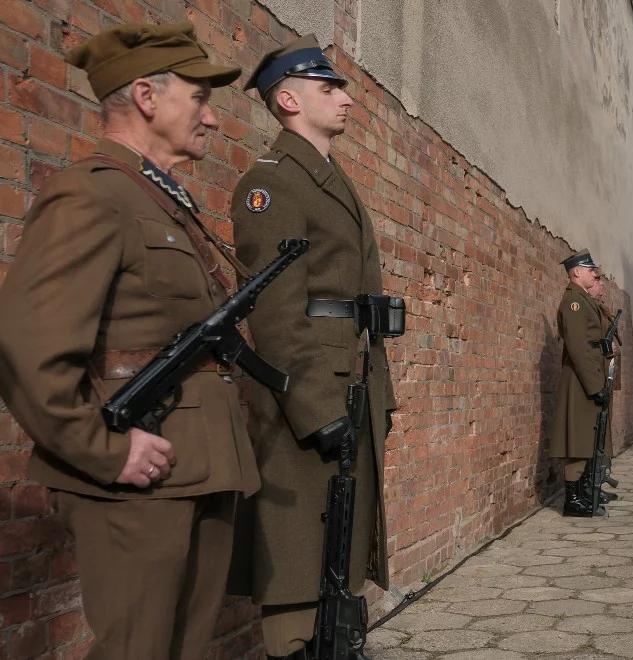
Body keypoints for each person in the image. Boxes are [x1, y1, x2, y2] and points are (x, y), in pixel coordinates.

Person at [0, 23, 258, 659]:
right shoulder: (91, 193)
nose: (213, 120)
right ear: (146, 95)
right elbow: (26, 347)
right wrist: (102, 449)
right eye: (200, 99)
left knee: (186, 650)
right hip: (138, 478)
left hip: (199, 465)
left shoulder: (163, 201)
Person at [231, 36, 398, 657]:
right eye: (329, 88)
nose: (346, 98)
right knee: (301, 553)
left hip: (348, 379)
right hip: (308, 395)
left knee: (342, 546)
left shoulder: (330, 178)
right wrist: (318, 408)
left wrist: (379, 389)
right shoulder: (271, 183)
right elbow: (274, 311)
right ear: (289, 99)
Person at [543, 250, 610, 519]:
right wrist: (595, 386)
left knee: (587, 437)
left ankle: (582, 494)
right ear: (576, 272)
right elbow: (579, 347)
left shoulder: (583, 300)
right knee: (578, 438)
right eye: (590, 269)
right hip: (581, 379)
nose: (595, 273)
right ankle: (572, 500)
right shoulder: (574, 302)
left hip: (588, 376)